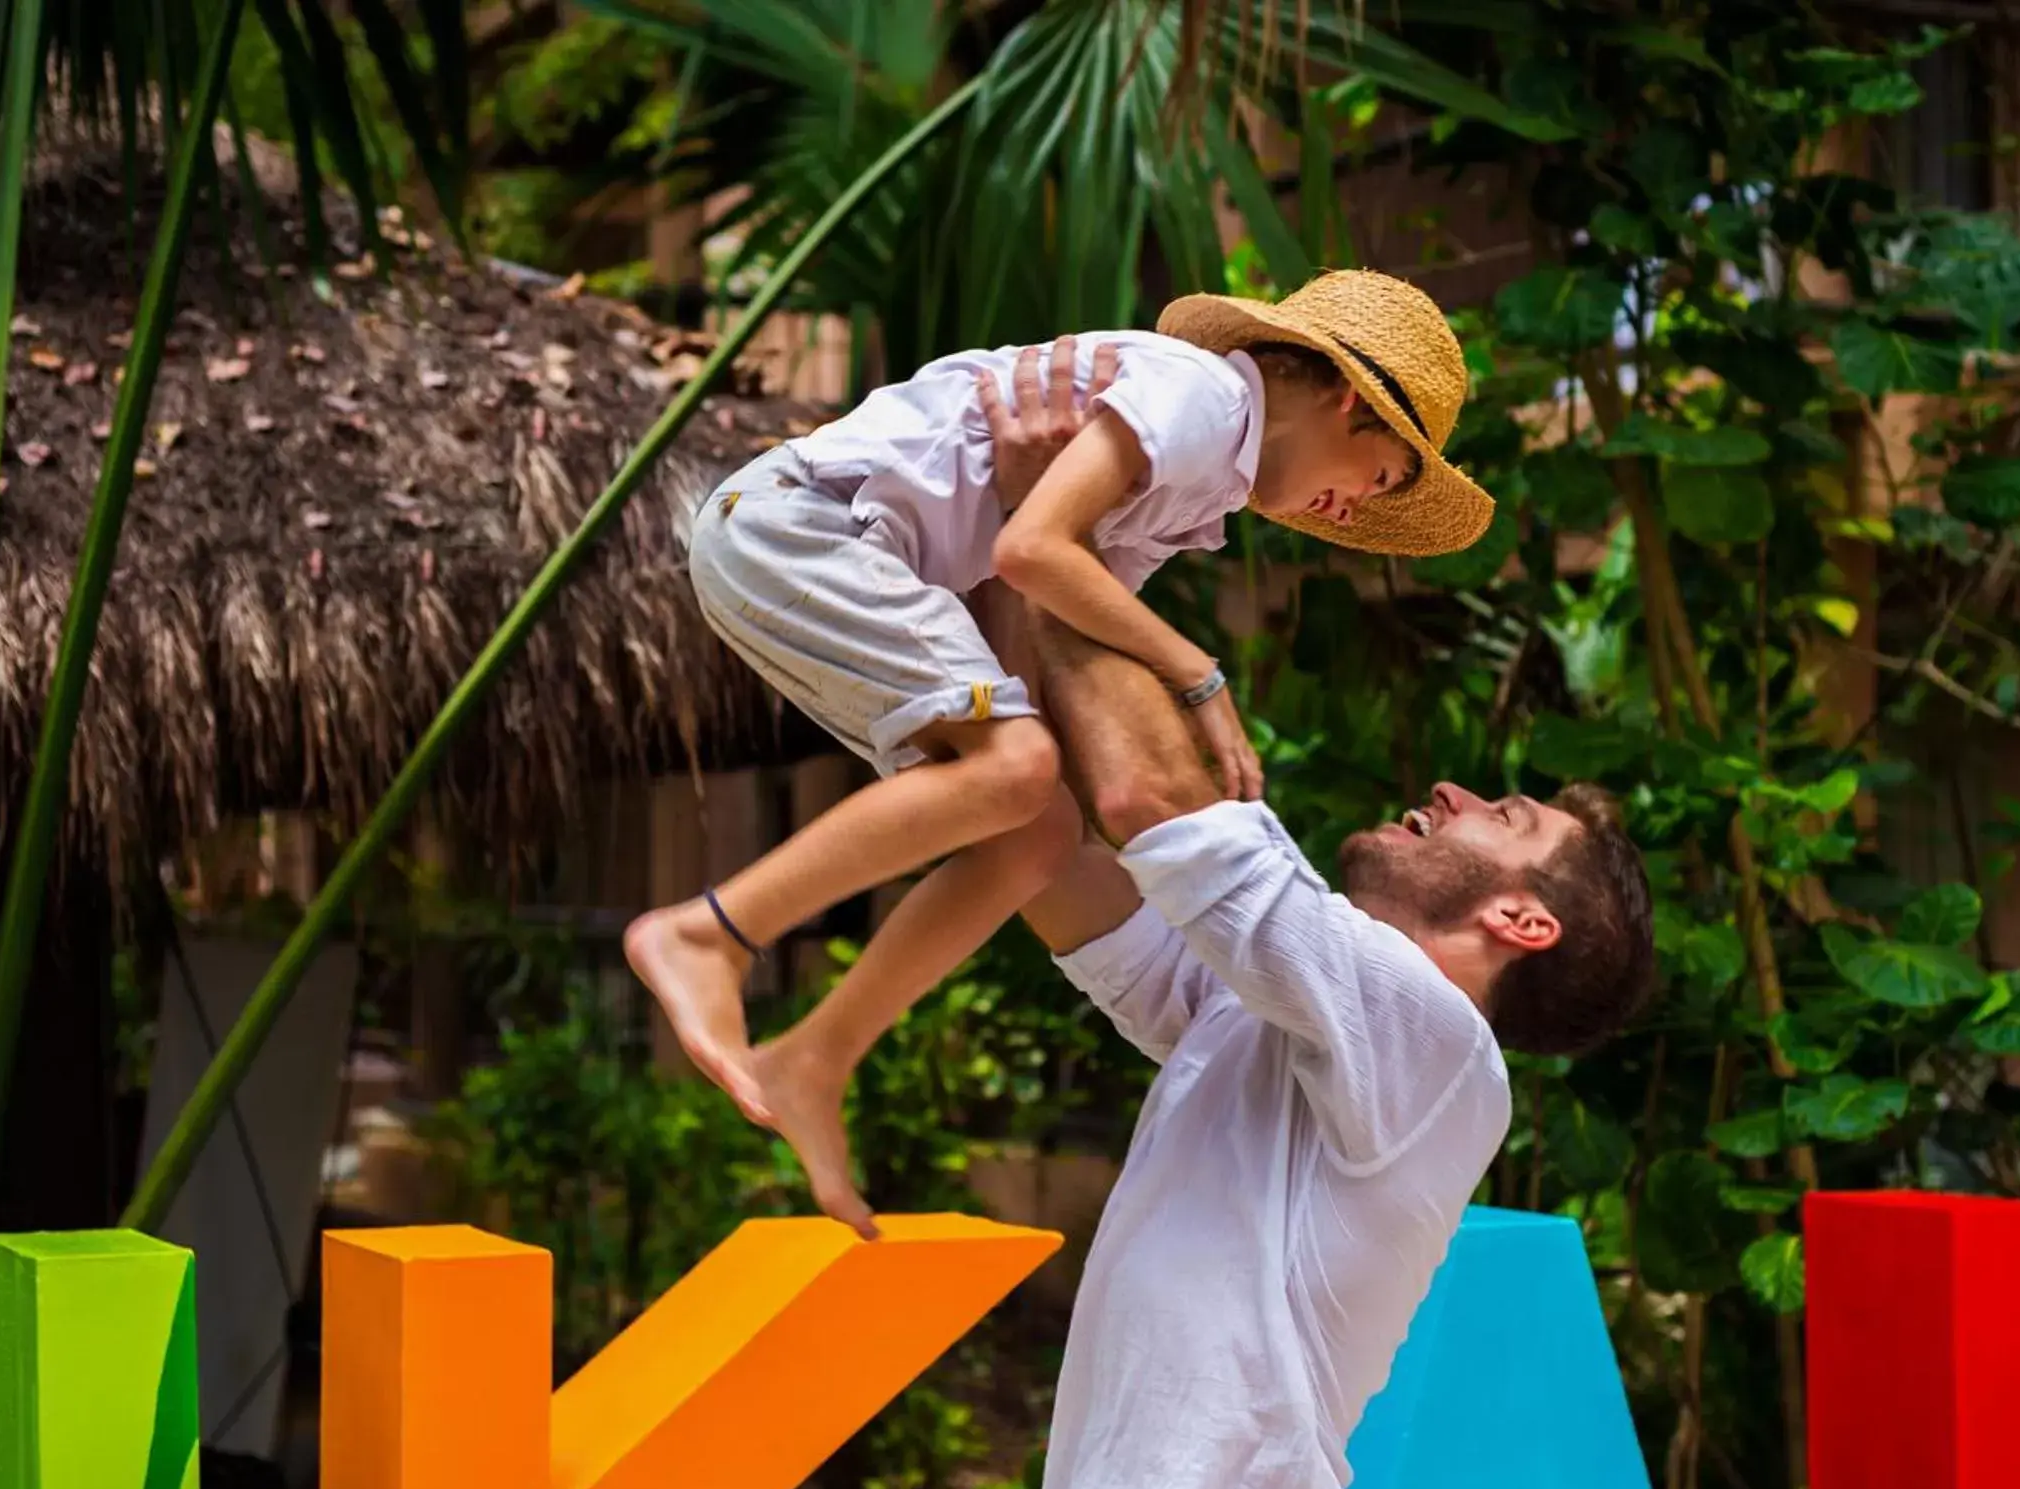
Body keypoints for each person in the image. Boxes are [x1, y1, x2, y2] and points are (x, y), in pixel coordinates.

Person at [625, 271, 1496, 1235]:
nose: (1349, 514)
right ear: (1349, 399)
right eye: (1377, 479)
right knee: (1016, 772)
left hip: (826, 554)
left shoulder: (1196, 495)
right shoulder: (1204, 397)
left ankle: (817, 1055)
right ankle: (709, 931)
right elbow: (1035, 550)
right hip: (807, 523)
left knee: (1036, 830)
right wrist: (1198, 677)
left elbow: (1036, 633)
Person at [1011, 610, 1658, 1489]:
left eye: (1502, 818)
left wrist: (1057, 554)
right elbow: (1041, 845)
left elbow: (1144, 804)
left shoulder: (1440, 1044)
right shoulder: (1269, 1019)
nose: (1453, 790)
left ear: (1520, 920)